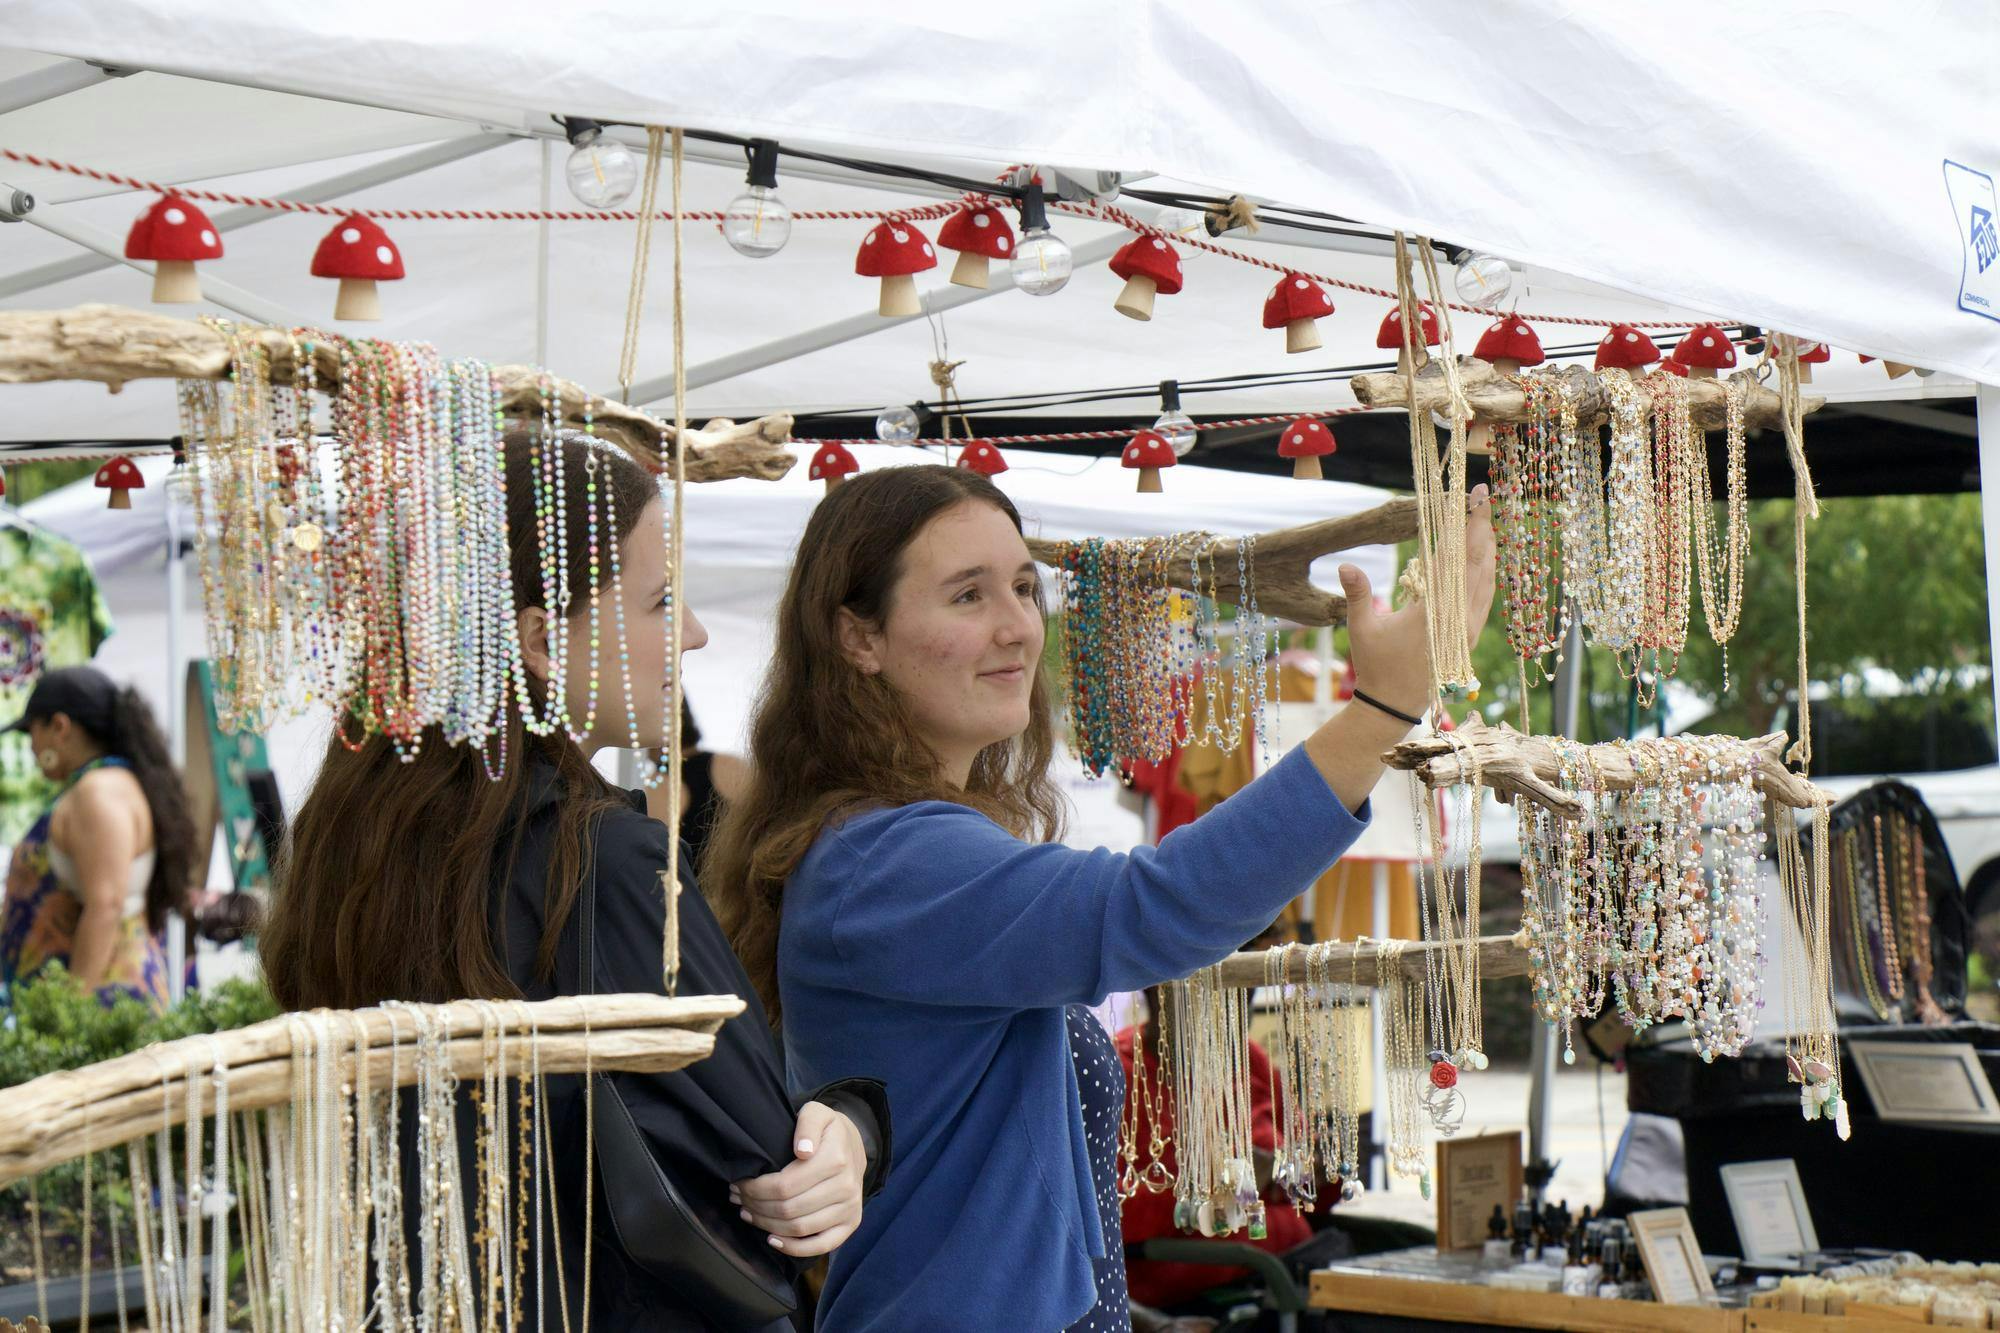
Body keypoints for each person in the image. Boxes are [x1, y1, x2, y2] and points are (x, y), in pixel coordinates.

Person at [707, 464, 1495, 1330]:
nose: (1016, 624)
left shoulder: (895, 846)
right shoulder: (886, 860)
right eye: (967, 595)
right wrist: (1380, 710)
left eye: (1019, 585)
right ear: (859, 638)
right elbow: (1154, 907)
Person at [262, 432, 890, 1332]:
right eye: (661, 600)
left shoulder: (355, 858)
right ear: (541, 642)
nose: (695, 632)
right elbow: (771, 1158)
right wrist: (854, 1122)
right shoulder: (599, 860)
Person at [0, 666, 195, 1012]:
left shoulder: (98, 794)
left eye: (32, 732)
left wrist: (71, 1014)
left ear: (59, 727)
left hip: (104, 1007)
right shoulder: (103, 785)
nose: (31, 747)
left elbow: (105, 905)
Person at [644, 696, 752, 876]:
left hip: (697, 897)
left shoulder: (661, 786)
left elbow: (656, 863)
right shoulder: (729, 764)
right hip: (740, 892)